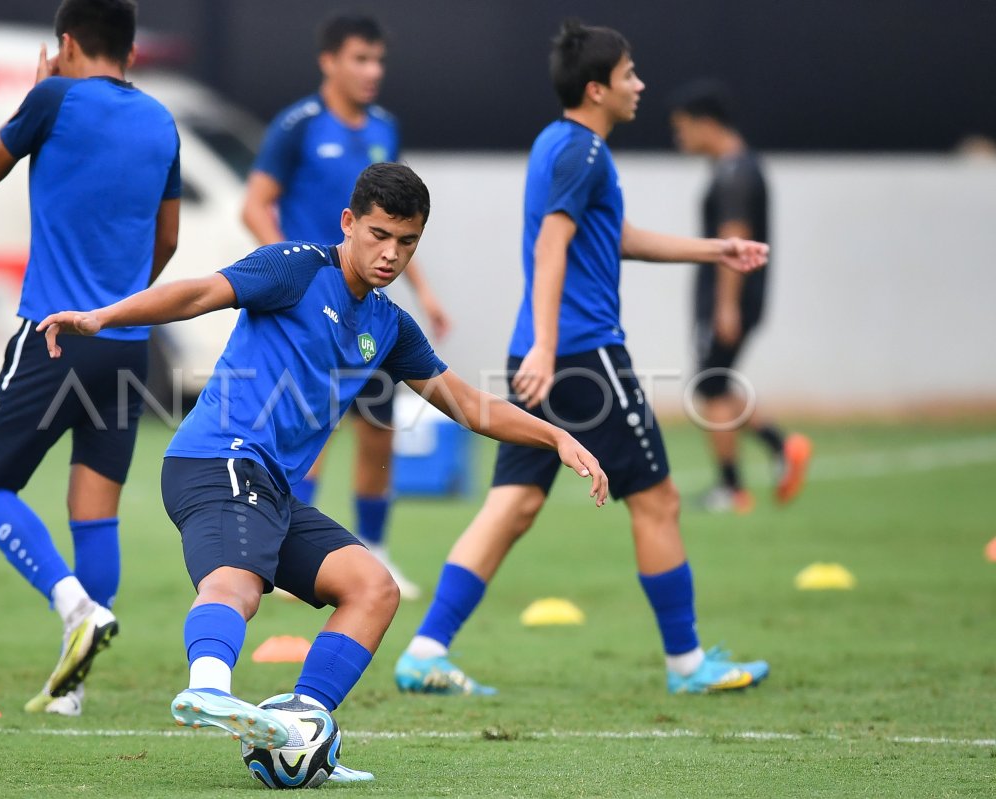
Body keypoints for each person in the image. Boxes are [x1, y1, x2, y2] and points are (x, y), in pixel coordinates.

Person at [37, 163, 608, 781]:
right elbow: (199, 293)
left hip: (269, 487)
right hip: (217, 459)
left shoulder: (389, 325)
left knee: (373, 588)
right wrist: (103, 317)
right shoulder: (295, 267)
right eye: (379, 234)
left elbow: (467, 405)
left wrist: (554, 436)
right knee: (241, 582)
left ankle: (302, 730)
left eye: (407, 242)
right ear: (349, 223)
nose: (391, 254)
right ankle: (206, 686)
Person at [394, 21, 771, 697]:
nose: (640, 85)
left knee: (512, 504)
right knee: (658, 498)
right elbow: (552, 248)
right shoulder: (583, 153)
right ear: (597, 88)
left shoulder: (565, 145)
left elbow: (612, 236)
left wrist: (714, 249)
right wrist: (547, 342)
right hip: (580, 355)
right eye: (630, 74)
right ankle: (687, 663)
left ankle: (424, 651)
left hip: (544, 352)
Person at [0, 0, 181, 717]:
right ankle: (73, 691)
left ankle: (72, 606)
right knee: (96, 515)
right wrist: (117, 305)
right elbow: (169, 240)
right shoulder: (162, 120)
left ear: (65, 43)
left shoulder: (53, 96)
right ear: (129, 47)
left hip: (53, 336)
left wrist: (37, 84)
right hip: (124, 346)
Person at [241, 14, 451, 599]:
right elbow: (255, 204)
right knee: (314, 429)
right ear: (329, 61)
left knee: (379, 431)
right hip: (319, 310)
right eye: (360, 59)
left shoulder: (384, 127)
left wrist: (425, 292)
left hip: (371, 309)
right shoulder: (298, 124)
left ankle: (375, 554)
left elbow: (399, 224)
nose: (372, 71)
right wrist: (291, 275)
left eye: (379, 60)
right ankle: (287, 554)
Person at [669, 80, 812, 513]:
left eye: (684, 128)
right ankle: (780, 447)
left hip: (728, 300)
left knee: (710, 390)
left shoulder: (735, 172)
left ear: (707, 124)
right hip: (727, 299)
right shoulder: (734, 168)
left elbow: (736, 236)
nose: (680, 138)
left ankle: (732, 488)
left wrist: (726, 305)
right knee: (715, 387)